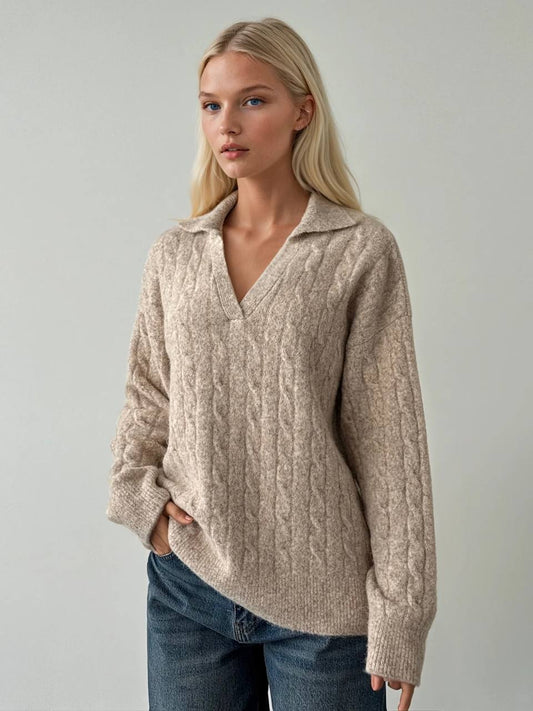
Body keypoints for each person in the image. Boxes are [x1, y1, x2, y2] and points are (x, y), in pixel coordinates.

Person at [106, 16, 437, 711]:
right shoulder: (176, 253)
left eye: (253, 100)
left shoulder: (358, 250)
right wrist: (141, 500)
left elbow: (389, 443)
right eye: (211, 104)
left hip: (324, 608)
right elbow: (148, 396)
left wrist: (401, 613)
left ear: (302, 111)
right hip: (189, 588)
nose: (227, 123)